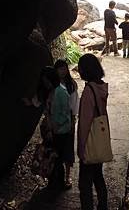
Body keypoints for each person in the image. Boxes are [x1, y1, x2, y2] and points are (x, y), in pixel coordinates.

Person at [77, 53, 109, 210]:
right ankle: (103, 206)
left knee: (84, 184)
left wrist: (81, 147)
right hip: (99, 141)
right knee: (98, 177)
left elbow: (85, 122)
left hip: (90, 142)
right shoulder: (101, 86)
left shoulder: (89, 90)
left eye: (80, 67)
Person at [54, 59, 79, 188]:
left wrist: (73, 121)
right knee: (56, 149)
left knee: (68, 149)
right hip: (55, 121)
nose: (62, 71)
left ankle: (67, 176)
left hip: (68, 120)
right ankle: (55, 176)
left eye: (64, 68)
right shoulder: (53, 84)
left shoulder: (71, 84)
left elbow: (74, 105)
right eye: (59, 69)